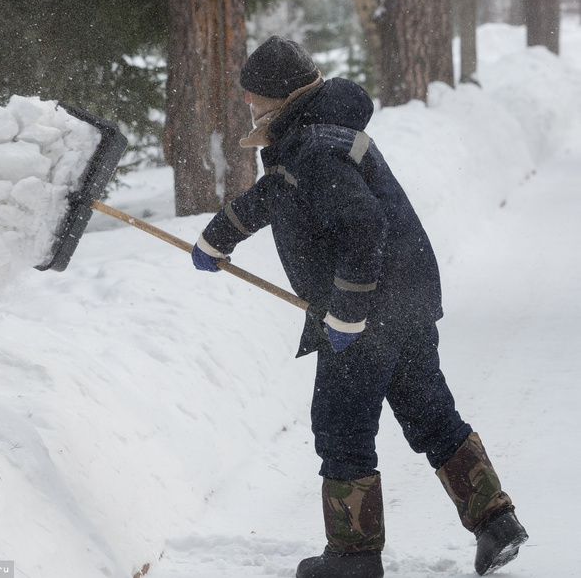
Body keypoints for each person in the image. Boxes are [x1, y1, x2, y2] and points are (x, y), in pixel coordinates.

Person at [191, 36, 528, 578]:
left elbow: (361, 226)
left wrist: (348, 311)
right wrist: (219, 235)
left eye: (252, 97)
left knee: (342, 425)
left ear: (277, 97)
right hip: (407, 300)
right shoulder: (316, 137)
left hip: (369, 310)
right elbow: (278, 193)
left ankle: (353, 558)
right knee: (428, 411)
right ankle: (496, 522)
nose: (248, 106)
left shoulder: (315, 149)